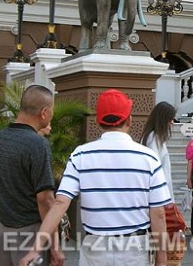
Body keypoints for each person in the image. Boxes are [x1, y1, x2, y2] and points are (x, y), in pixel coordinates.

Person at [20, 89, 172, 266]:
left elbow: (60, 203)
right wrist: (162, 260)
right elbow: (158, 213)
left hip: (95, 246)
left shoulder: (81, 155)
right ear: (129, 120)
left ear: (99, 122)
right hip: (134, 247)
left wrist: (35, 249)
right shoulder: (149, 158)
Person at [0, 84, 63, 266]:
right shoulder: (37, 145)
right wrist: (54, 245)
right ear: (44, 112)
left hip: (4, 233)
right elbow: (45, 200)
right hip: (31, 234)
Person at [141, 101, 178, 203]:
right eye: (170, 119)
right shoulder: (153, 139)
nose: (172, 123)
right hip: (158, 193)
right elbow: (156, 168)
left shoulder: (155, 138)